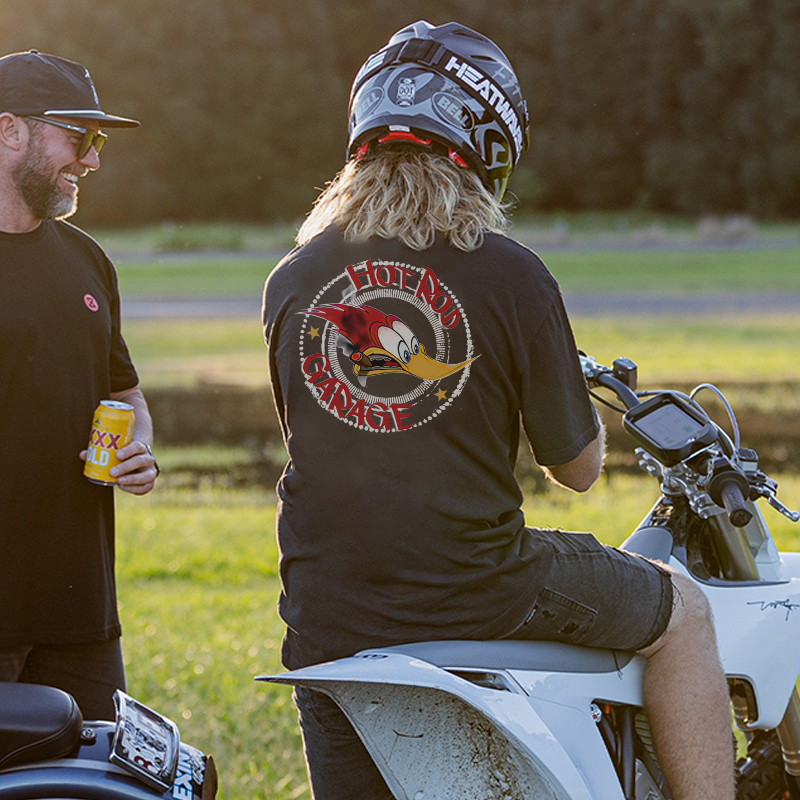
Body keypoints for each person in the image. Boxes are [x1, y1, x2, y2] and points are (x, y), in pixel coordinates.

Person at [262, 21, 733, 800]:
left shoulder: (291, 278)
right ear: (490, 137)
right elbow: (576, 472)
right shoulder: (512, 275)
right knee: (684, 612)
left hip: (327, 613)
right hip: (478, 585)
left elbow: (327, 442)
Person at [0, 50, 160, 721]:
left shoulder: (87, 259)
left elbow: (122, 391)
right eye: (79, 137)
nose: (92, 160)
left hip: (83, 617)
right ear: (10, 131)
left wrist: (138, 446)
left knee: (95, 783)